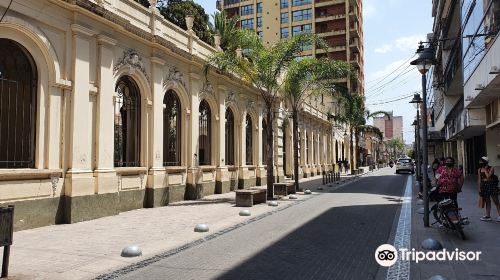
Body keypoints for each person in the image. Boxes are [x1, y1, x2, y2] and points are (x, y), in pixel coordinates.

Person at [477, 157, 500, 221]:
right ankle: (488, 216)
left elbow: (488, 177)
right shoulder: (479, 169)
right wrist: (479, 188)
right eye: (480, 161)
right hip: (484, 186)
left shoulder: (491, 168)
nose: (480, 163)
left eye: (482, 161)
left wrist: (484, 170)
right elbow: (479, 179)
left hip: (491, 185)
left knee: (496, 201)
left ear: (485, 162)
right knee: (487, 201)